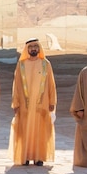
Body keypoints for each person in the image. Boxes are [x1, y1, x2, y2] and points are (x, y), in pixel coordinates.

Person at [9, 37, 57, 166]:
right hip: (25, 105)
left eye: (35, 46)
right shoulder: (21, 64)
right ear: (27, 49)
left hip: (42, 104)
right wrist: (16, 102)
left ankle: (38, 157)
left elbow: (51, 84)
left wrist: (52, 101)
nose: (33, 49)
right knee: (24, 131)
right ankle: (25, 156)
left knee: (40, 131)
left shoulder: (45, 64)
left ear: (39, 48)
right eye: (30, 47)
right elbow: (17, 85)